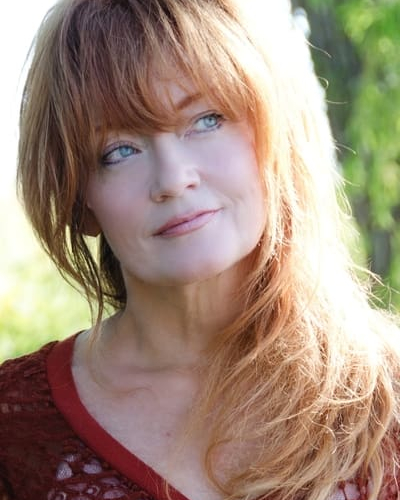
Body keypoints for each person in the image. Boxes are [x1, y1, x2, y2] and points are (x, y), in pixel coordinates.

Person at [0, 0, 399, 499]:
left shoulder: (390, 392)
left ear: (272, 129)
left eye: (206, 120)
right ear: (80, 199)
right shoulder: (13, 429)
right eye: (119, 151)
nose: (173, 178)